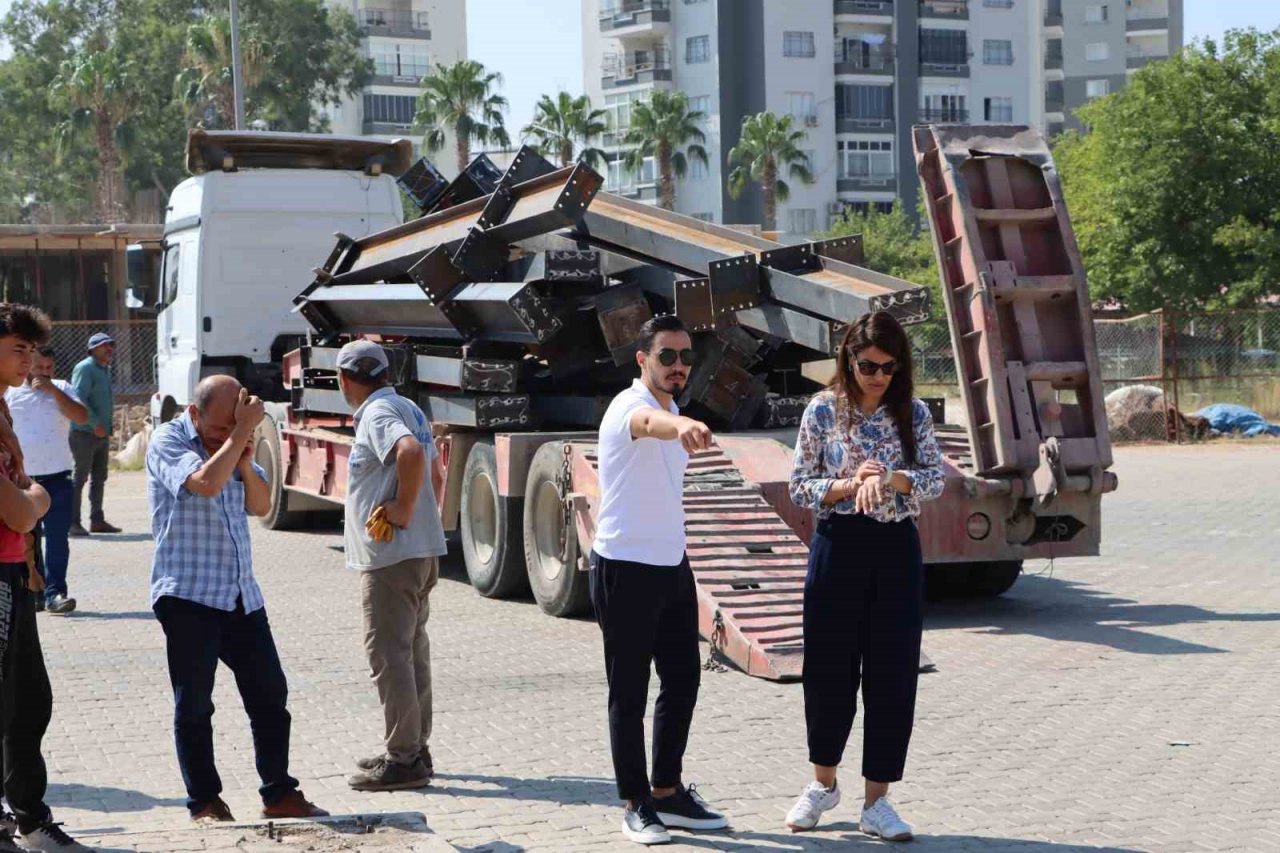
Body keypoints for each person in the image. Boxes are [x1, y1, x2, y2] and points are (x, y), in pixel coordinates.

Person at [784, 311, 945, 841]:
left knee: (892, 673)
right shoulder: (822, 410)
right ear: (849, 360)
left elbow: (935, 479)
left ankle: (877, 801)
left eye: (889, 367)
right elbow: (800, 485)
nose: (878, 376)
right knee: (829, 668)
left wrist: (893, 478)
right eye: (868, 365)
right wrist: (851, 485)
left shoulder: (912, 413)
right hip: (839, 544)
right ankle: (822, 784)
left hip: (895, 549)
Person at [145, 375, 327, 823]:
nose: (225, 435)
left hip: (241, 595)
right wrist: (243, 431)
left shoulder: (235, 444)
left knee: (270, 696)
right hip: (188, 595)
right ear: (194, 413)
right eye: (219, 428)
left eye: (234, 425)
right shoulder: (168, 440)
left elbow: (260, 505)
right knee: (194, 705)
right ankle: (205, 802)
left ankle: (279, 793)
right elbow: (204, 482)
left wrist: (245, 460)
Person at [589, 314, 729, 846]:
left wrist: (680, 419)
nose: (678, 366)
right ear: (642, 360)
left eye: (686, 357)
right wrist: (683, 425)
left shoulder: (671, 408)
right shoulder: (630, 407)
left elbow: (664, 422)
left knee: (683, 679)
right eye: (666, 356)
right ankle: (635, 803)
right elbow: (649, 426)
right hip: (624, 566)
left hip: (671, 564)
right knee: (629, 691)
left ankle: (667, 792)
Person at [0, 303, 94, 852]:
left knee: (29, 702)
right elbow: (19, 509)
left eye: (32, 350)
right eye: (18, 349)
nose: (28, 361)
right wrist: (37, 497)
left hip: (15, 571)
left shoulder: (6, 409)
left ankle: (31, 821)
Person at [334, 341, 447, 793]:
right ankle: (415, 747)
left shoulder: (378, 414)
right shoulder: (409, 408)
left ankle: (404, 760)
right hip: (418, 551)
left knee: (389, 655)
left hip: (392, 559)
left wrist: (403, 508)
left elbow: (411, 454)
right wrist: (421, 517)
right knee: (411, 651)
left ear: (345, 379)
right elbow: (436, 474)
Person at [6, 346, 89, 615]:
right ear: (28, 365)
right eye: (39, 367)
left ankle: (56, 593)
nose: (44, 373)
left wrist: (53, 390)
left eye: (49, 368)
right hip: (23, 481)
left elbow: (81, 416)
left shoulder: (62, 387)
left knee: (57, 539)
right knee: (28, 540)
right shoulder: (11, 392)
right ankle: (34, 592)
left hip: (58, 478)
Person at [69, 331, 121, 536]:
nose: (109, 349)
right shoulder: (85, 367)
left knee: (99, 477)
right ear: (92, 349)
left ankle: (97, 520)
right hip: (84, 432)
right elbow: (78, 397)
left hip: (101, 433)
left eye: (111, 345)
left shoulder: (105, 369)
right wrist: (94, 423)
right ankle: (72, 522)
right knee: (79, 478)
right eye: (104, 345)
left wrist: (105, 425)